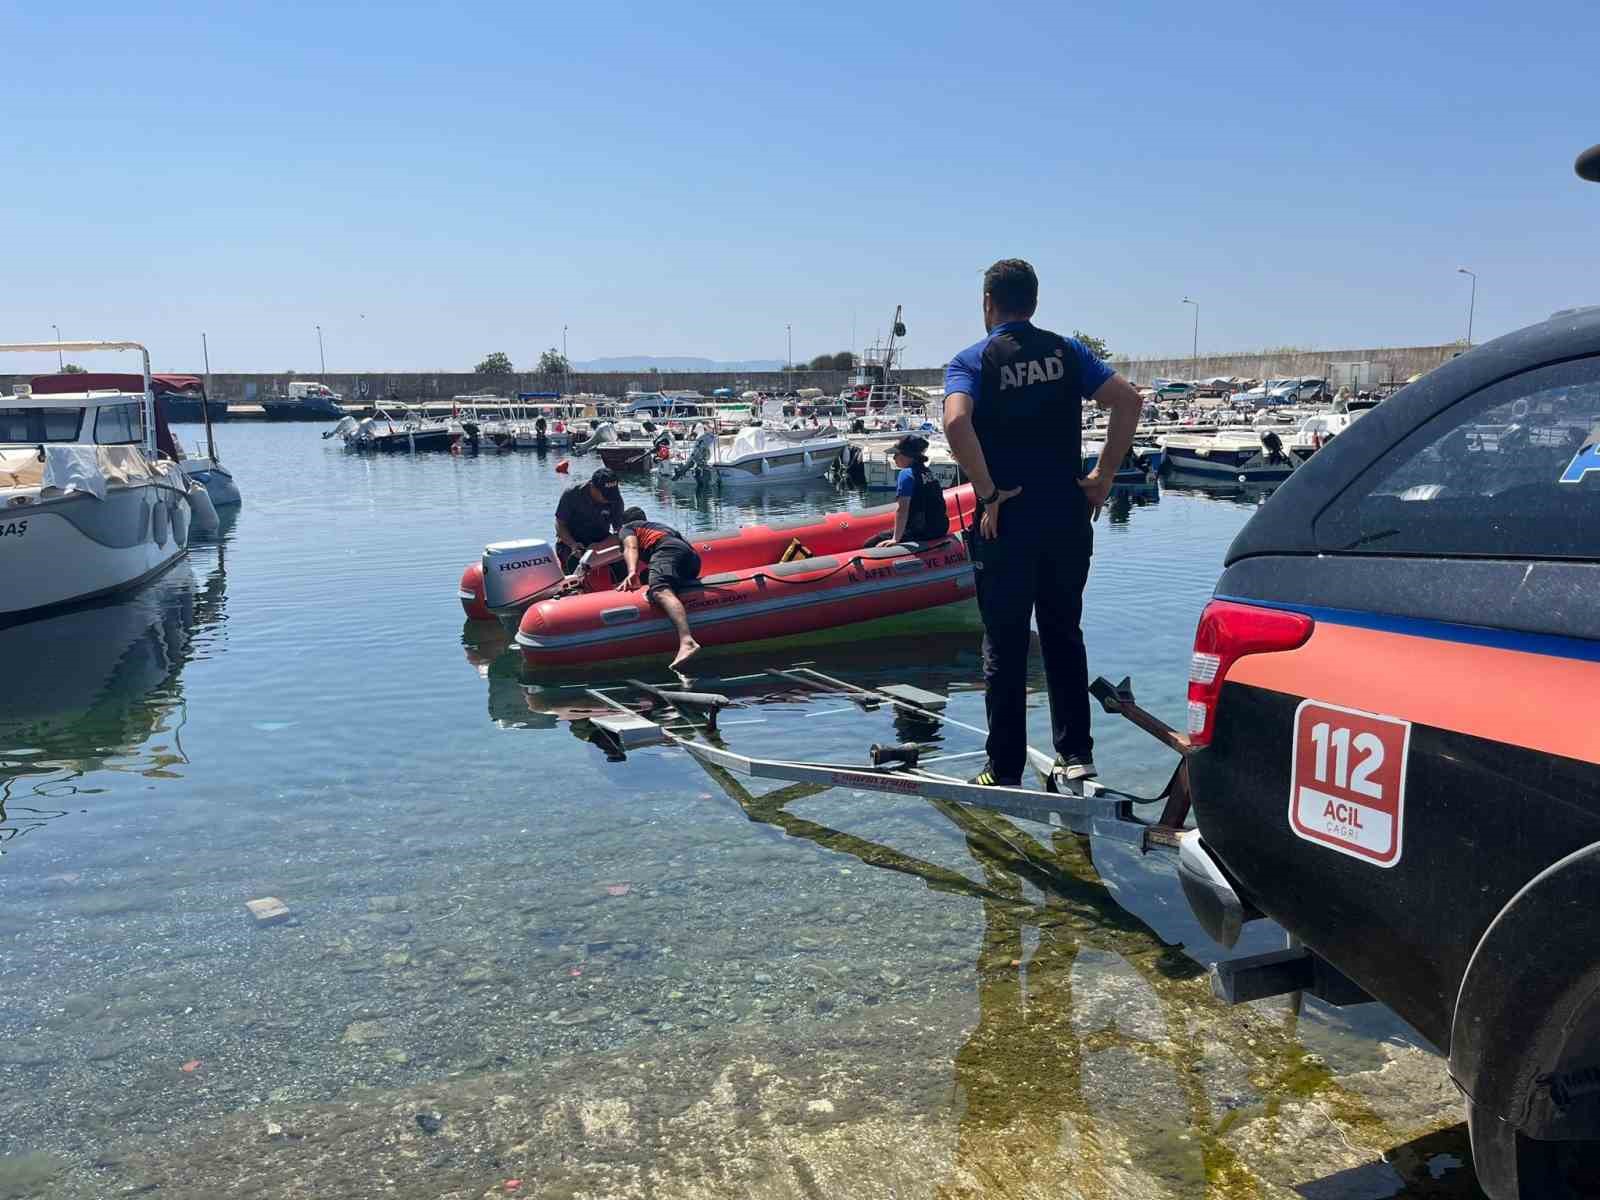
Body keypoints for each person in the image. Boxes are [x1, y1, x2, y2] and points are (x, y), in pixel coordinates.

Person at [942, 258, 1142, 788]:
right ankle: (1076, 754)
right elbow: (1127, 400)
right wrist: (1103, 475)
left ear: (988, 304)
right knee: (1062, 634)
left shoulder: (972, 360)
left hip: (1005, 524)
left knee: (1005, 647)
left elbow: (956, 422)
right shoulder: (1066, 351)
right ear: (1033, 303)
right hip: (1066, 516)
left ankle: (1003, 769)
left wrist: (987, 493)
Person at [616, 506, 702, 670]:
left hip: (666, 550)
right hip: (691, 559)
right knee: (647, 577)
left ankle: (687, 641)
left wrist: (631, 571)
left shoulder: (627, 528)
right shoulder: (656, 527)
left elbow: (630, 547)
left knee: (658, 589)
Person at [867, 434, 950, 546]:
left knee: (870, 543)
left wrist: (896, 539)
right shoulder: (927, 472)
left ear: (907, 455)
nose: (894, 458)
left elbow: (902, 509)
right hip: (940, 528)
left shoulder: (906, 474)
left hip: (920, 531)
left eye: (896, 454)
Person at [554, 468, 624, 572]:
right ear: (592, 486)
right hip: (572, 542)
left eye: (612, 494)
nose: (608, 499)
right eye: (605, 494)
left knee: (622, 563)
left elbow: (619, 532)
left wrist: (601, 546)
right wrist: (572, 544)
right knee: (573, 567)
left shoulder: (615, 499)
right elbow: (559, 523)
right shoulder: (572, 494)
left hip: (600, 541)